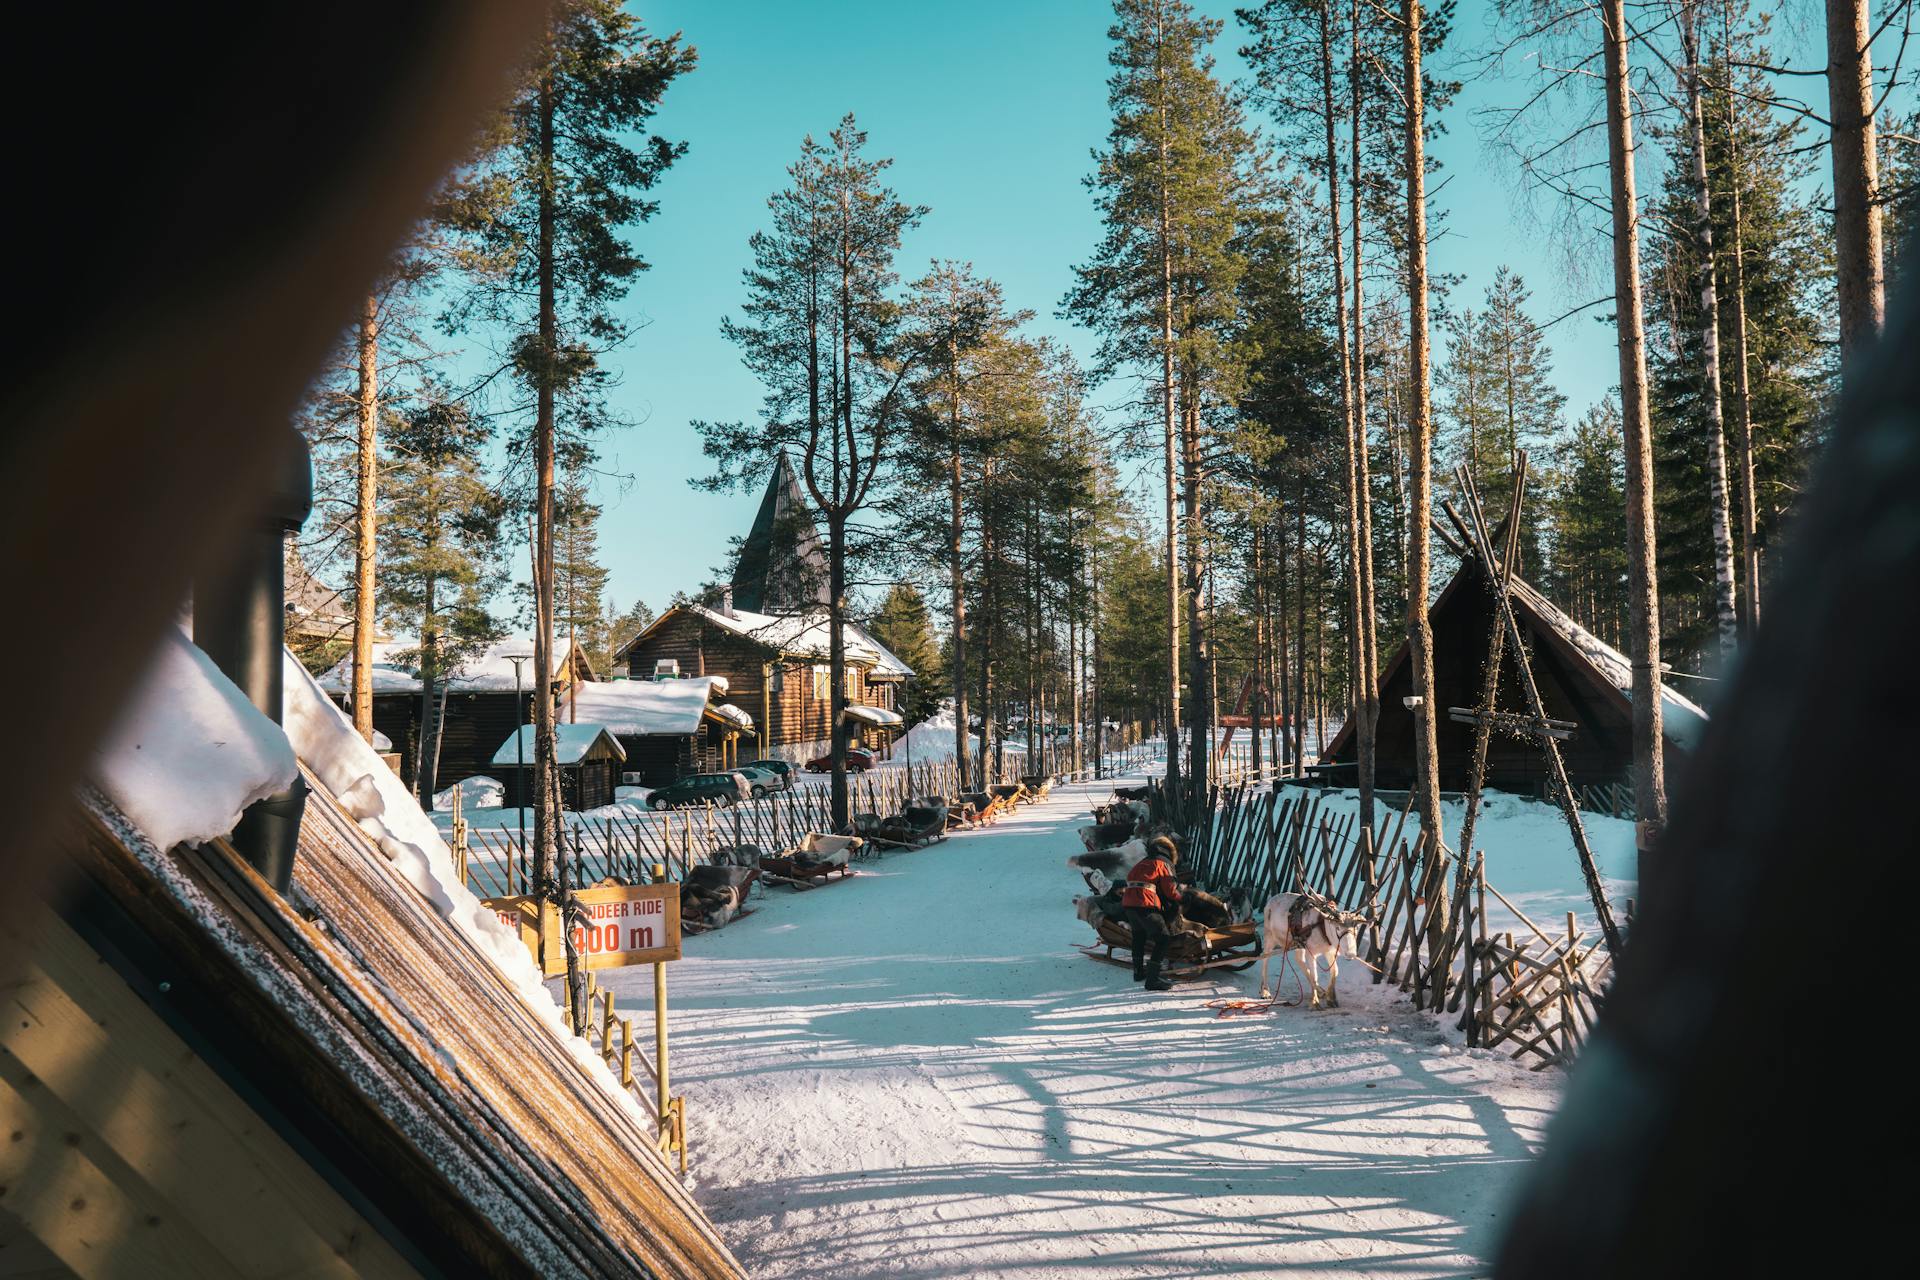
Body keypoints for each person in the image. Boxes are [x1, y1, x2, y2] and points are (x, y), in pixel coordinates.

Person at [1120, 835, 1183, 991]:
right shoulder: (1163, 863)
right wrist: (1183, 898)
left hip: (1129, 904)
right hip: (1145, 903)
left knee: (1139, 936)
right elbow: (1170, 891)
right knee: (1163, 939)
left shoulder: (1141, 863)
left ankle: (1138, 972)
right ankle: (1152, 980)